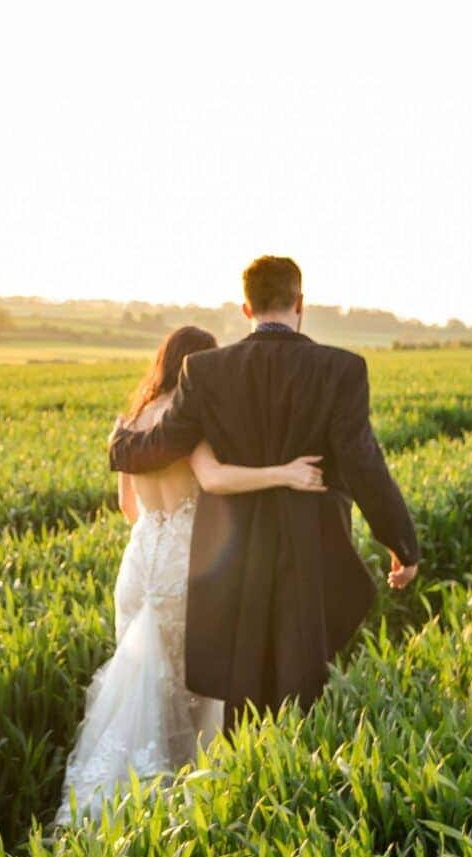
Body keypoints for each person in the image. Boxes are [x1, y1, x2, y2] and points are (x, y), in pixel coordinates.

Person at [108, 256, 419, 732]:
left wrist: (120, 445)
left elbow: (163, 445)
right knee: (305, 681)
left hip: (235, 553)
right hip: (313, 546)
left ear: (246, 309)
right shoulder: (342, 369)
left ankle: (242, 773)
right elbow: (364, 464)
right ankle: (296, 774)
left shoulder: (204, 371)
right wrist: (401, 542)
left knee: (243, 685)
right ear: (301, 303)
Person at [57, 324, 326, 823]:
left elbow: (127, 506)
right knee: (198, 687)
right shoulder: (188, 420)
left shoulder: (131, 421)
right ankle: (191, 804)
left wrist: (161, 519)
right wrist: (285, 472)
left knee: (143, 683)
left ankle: (118, 807)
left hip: (139, 563)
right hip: (184, 564)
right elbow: (215, 478)